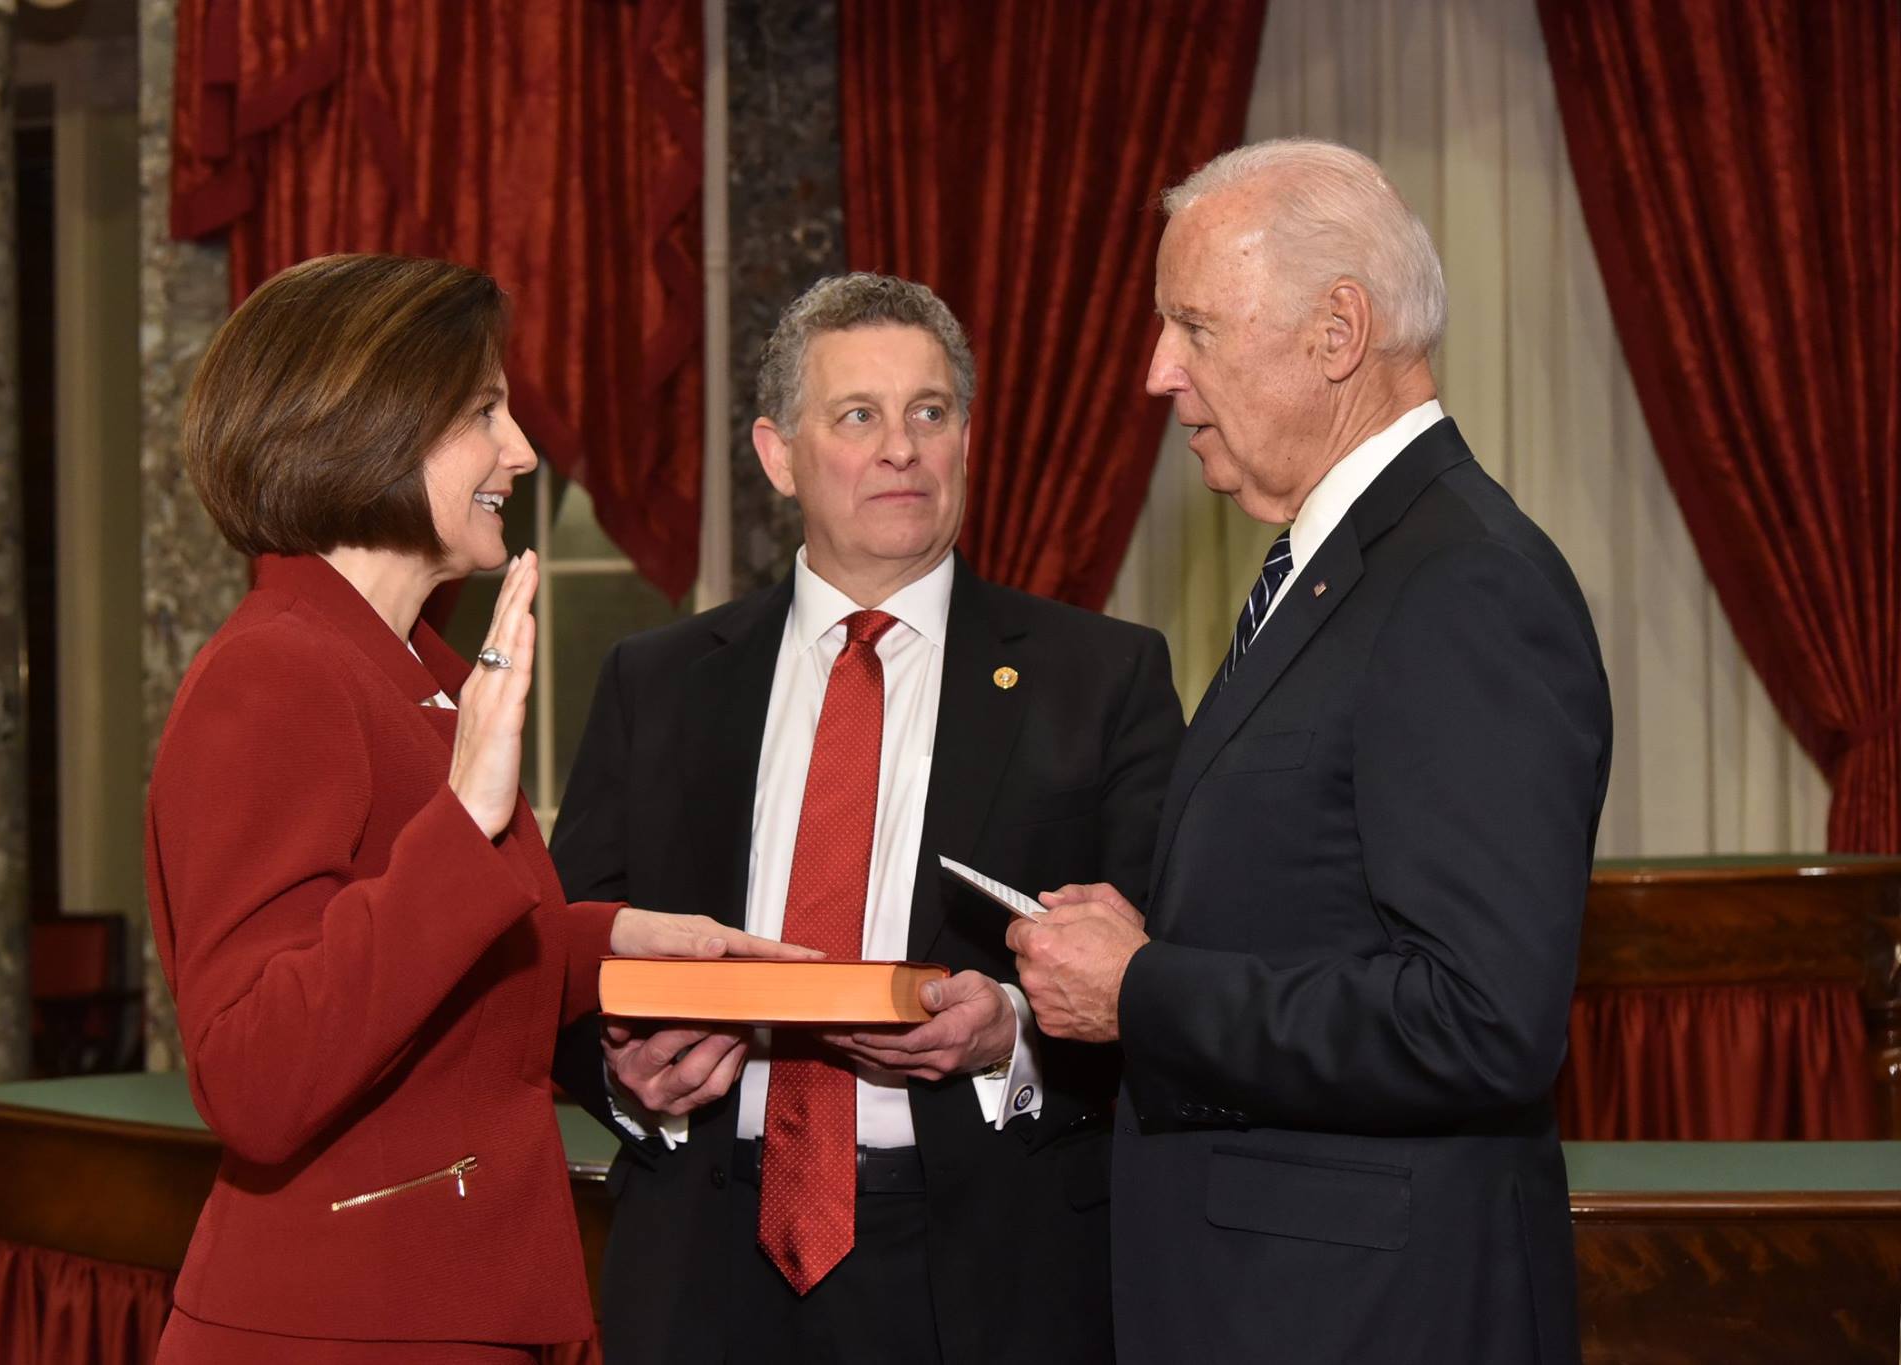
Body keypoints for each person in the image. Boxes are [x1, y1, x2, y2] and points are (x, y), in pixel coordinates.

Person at [1009, 138, 1613, 1365]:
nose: (1154, 373)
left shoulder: (1463, 585)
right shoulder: (1348, 563)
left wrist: (1141, 987)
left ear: (1336, 334)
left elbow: (1479, 1021)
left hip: (1370, 1317)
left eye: (1193, 326)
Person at [146, 253, 805, 1364]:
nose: (522, 451)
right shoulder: (276, 673)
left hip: (461, 1305)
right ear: (371, 423)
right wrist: (464, 822)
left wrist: (618, 945)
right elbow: (255, 1073)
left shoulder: (416, 669)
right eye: (483, 410)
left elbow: (435, 967)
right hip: (345, 1328)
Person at [547, 273, 1183, 1365]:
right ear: (776, 454)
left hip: (987, 1275)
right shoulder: (654, 685)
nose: (901, 448)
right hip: (701, 1266)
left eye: (928, 413)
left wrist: (1015, 1038)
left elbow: (1172, 978)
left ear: (967, 443)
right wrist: (622, 1077)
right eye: (857, 416)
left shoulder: (1101, 678)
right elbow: (561, 958)